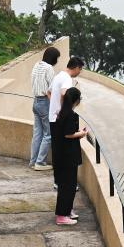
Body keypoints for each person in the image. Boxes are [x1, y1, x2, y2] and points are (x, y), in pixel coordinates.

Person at [51, 86, 86, 225]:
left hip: (62, 155)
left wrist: (78, 133)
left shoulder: (61, 113)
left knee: (68, 185)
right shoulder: (70, 115)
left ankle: (67, 210)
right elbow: (68, 134)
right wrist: (82, 133)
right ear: (76, 100)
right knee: (68, 186)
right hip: (68, 156)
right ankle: (61, 216)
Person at [49, 56, 84, 190]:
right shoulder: (67, 79)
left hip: (53, 118)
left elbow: (48, 92)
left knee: (57, 151)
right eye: (80, 70)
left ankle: (58, 181)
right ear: (76, 68)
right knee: (65, 153)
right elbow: (65, 94)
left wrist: (55, 108)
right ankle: (66, 183)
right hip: (60, 119)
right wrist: (64, 110)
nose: (79, 72)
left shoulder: (58, 76)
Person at [29, 46, 60, 171]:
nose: (57, 60)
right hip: (44, 102)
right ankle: (40, 162)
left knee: (37, 133)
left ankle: (33, 161)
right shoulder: (49, 68)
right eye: (57, 58)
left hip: (36, 101)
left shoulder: (36, 65)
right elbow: (53, 88)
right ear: (53, 58)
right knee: (49, 134)